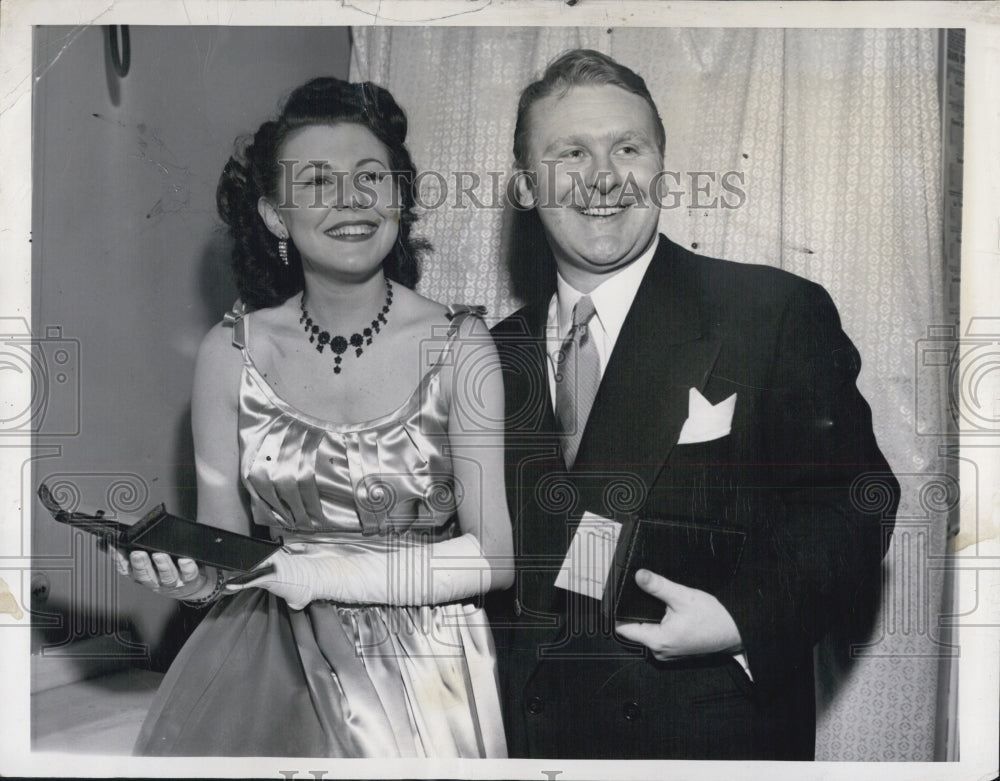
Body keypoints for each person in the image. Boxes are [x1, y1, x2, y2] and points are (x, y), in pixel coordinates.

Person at [488, 49, 900, 760]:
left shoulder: (770, 312)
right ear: (526, 186)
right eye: (570, 153)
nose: (604, 178)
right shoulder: (492, 354)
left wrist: (743, 616)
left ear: (661, 167)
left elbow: (855, 498)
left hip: (704, 738)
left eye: (627, 147)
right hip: (525, 744)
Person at [110, 76, 512, 757]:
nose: (351, 201)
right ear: (274, 214)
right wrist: (188, 571)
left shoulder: (461, 346)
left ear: (399, 196)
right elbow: (225, 551)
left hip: (425, 668)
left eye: (370, 178)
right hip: (263, 657)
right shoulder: (230, 352)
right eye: (318, 182)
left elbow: (496, 557)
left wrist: (324, 573)